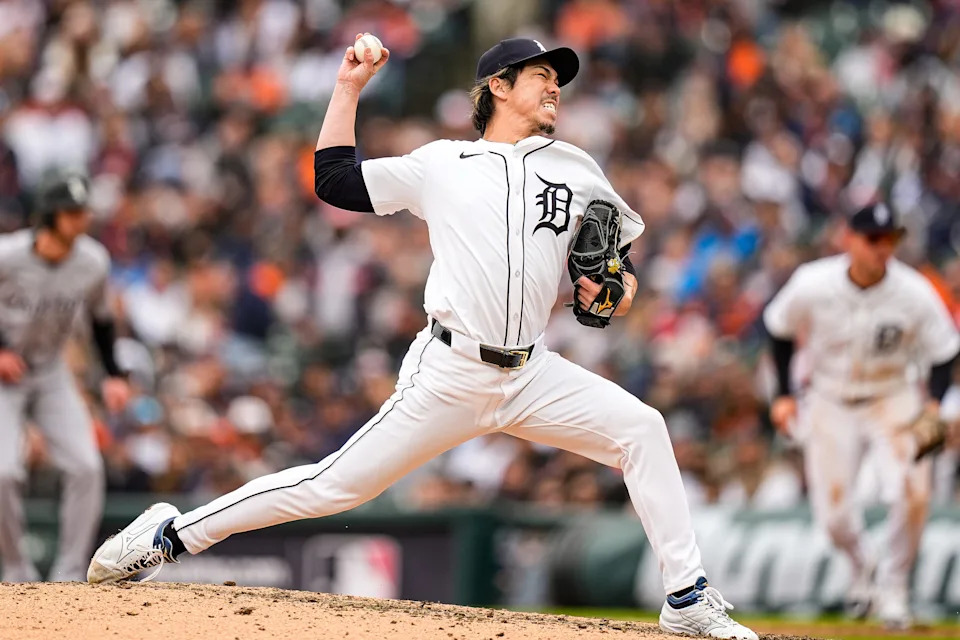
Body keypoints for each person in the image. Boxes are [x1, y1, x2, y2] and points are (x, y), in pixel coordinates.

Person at [87, 35, 757, 640]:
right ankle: (171, 536)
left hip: (531, 374)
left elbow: (613, 263)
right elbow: (334, 180)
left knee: (642, 429)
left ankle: (686, 598)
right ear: (496, 85)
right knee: (334, 487)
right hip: (450, 369)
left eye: (559, 78)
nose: (555, 85)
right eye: (539, 75)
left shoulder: (578, 169)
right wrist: (348, 88)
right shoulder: (443, 163)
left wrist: (617, 286)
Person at [763, 202, 960, 629]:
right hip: (830, 399)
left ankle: (894, 591)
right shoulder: (813, 283)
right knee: (833, 519)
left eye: (889, 240)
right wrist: (782, 395)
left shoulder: (914, 291)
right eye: (873, 239)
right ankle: (862, 563)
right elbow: (778, 328)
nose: (882, 248)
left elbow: (944, 352)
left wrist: (933, 405)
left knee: (913, 492)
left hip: (893, 397)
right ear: (848, 239)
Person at [0, 171, 131, 582]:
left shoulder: (92, 261)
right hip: (5, 375)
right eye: (72, 212)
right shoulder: (7, 256)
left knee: (87, 466)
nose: (82, 219)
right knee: (3, 472)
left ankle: (68, 575)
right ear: (50, 216)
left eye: (83, 211)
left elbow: (101, 320)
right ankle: (16, 571)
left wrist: (112, 374)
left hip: (52, 370)